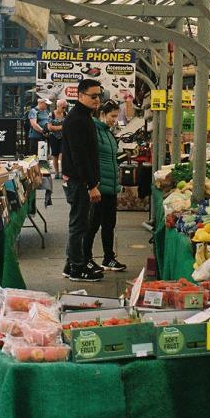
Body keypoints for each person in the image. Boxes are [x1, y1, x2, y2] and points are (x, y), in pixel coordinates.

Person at [62, 79, 104, 282]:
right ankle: (77, 268)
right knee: (79, 225)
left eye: (99, 96)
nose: (97, 100)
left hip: (81, 181)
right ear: (80, 95)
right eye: (93, 96)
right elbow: (80, 156)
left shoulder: (83, 116)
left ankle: (71, 263)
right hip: (79, 182)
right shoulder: (77, 119)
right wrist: (91, 185)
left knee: (80, 224)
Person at [88, 100, 126, 272]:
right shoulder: (94, 131)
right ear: (102, 114)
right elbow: (90, 158)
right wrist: (92, 185)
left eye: (116, 116)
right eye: (112, 116)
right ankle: (86, 258)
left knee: (109, 224)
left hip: (111, 187)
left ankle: (108, 258)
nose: (114, 120)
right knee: (92, 224)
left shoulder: (108, 133)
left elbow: (110, 157)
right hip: (98, 186)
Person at [49, 99, 67, 175]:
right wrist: (61, 127)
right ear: (58, 106)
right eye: (63, 107)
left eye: (65, 107)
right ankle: (56, 172)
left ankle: (63, 171)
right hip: (54, 136)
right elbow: (50, 127)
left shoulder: (65, 114)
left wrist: (57, 127)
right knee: (55, 155)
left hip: (63, 137)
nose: (64, 109)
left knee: (63, 154)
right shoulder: (52, 114)